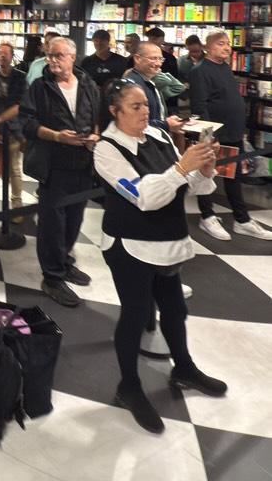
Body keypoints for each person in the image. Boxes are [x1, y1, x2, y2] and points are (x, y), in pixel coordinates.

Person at [94, 79, 226, 434]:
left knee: (175, 309)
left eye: (146, 106)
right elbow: (144, 196)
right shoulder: (106, 149)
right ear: (115, 111)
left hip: (167, 241)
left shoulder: (160, 137)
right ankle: (129, 387)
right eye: (135, 106)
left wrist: (203, 169)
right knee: (135, 315)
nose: (144, 111)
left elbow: (186, 186)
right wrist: (182, 168)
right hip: (129, 246)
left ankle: (183, 367)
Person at [20, 37, 100, 308]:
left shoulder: (88, 84)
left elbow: (97, 116)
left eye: (58, 56)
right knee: (52, 222)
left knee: (75, 218)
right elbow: (27, 124)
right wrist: (56, 136)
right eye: (49, 55)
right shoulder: (40, 87)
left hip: (83, 163)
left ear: (72, 57)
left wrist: (96, 136)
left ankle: (64, 261)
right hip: (53, 165)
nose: (52, 60)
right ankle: (52, 277)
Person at [189, 31, 272, 241]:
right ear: (208, 47)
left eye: (228, 44)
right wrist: (208, 136)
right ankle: (207, 216)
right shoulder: (200, 71)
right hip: (215, 134)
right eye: (220, 44)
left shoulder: (225, 67)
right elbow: (199, 106)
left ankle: (241, 220)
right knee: (207, 174)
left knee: (234, 176)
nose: (226, 47)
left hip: (234, 132)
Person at [0, 42, 27, 214]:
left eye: (5, 54)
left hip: (13, 129)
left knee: (14, 168)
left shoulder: (20, 77)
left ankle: (16, 204)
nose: (1, 56)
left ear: (12, 56)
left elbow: (20, 104)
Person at [127, 42, 184, 135]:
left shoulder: (149, 81)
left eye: (160, 59)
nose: (158, 63)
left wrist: (166, 122)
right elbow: (133, 122)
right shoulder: (132, 85)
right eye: (153, 58)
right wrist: (166, 124)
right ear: (137, 58)